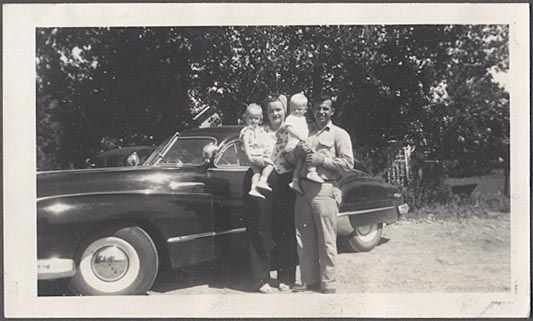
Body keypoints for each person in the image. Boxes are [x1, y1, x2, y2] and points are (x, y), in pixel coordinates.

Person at [292, 94, 354, 294]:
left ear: (332, 111)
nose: (321, 112)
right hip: (303, 189)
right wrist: (298, 153)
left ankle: (328, 282)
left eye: (325, 108)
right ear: (312, 109)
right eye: (318, 108)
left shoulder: (339, 134)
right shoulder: (304, 131)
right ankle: (308, 281)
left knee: (327, 239)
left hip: (325, 189)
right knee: (304, 237)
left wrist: (323, 160)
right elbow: (291, 159)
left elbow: (348, 165)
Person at [243, 94, 297, 293]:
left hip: (286, 181)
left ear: (284, 111)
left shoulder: (291, 129)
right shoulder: (258, 130)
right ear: (266, 113)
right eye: (271, 110)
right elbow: (249, 150)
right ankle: (261, 279)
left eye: (278, 109)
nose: (275, 113)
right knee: (260, 229)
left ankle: (286, 277)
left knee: (286, 229)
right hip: (262, 181)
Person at [282, 93, 324, 194]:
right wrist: (301, 137)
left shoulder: (304, 120)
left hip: (300, 144)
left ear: (305, 110)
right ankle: (312, 171)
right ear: (290, 108)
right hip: (293, 144)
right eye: (294, 108)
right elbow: (288, 128)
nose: (296, 111)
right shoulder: (291, 118)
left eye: (300, 109)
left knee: (299, 164)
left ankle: (295, 181)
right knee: (310, 151)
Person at [240, 103, 275, 199]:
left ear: (260, 119)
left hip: (256, 155)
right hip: (255, 155)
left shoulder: (259, 130)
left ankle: (254, 188)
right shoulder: (247, 131)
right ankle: (263, 180)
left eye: (256, 119)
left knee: (256, 173)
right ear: (245, 118)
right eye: (250, 118)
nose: (253, 121)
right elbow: (246, 144)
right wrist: (249, 156)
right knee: (270, 164)